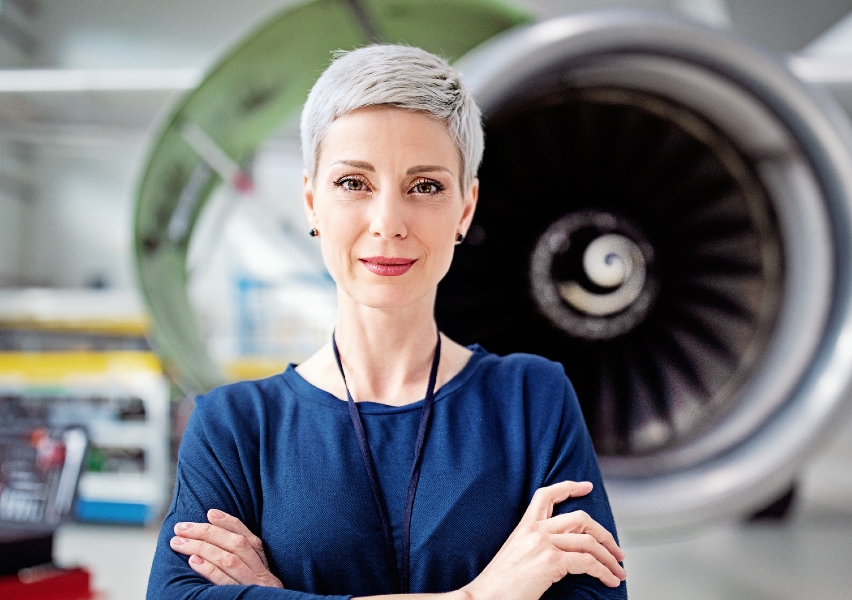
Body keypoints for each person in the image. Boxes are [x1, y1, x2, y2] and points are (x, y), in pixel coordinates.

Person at [146, 44, 628, 600]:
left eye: (425, 186)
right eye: (354, 183)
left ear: (465, 210)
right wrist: (480, 596)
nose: (388, 223)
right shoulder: (235, 427)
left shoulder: (533, 400)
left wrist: (273, 594)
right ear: (311, 202)